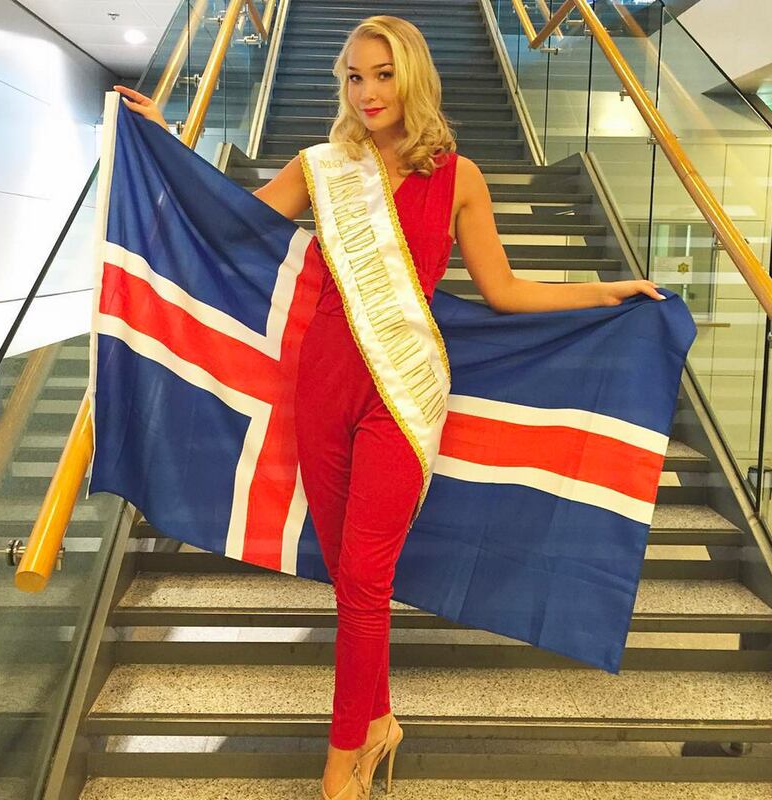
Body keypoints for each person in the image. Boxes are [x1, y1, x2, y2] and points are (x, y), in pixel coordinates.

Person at [114, 14, 664, 800]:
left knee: (368, 577)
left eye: (382, 74)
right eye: (353, 76)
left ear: (412, 79)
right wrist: (164, 137)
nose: (366, 92)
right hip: (321, 385)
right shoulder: (322, 166)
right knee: (350, 577)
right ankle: (378, 722)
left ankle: (343, 759)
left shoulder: (459, 177)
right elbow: (227, 223)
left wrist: (605, 292)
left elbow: (504, 290)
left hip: (405, 392)